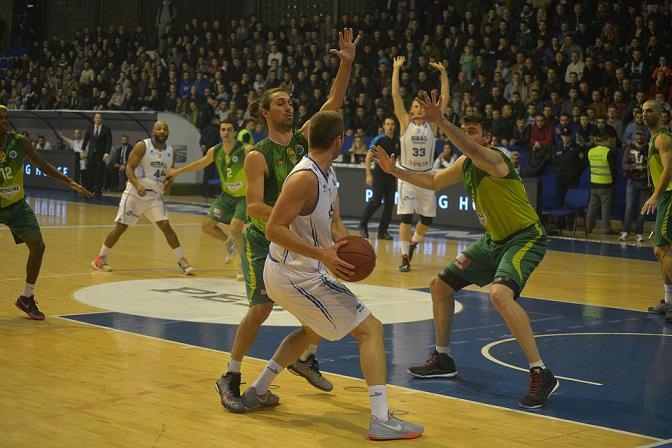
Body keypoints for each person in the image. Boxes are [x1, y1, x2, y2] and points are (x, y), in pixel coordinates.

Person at [235, 110, 424, 440]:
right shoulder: (304, 177)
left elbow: (334, 224)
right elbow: (273, 229)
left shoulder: (327, 172)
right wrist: (322, 254)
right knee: (371, 330)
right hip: (294, 274)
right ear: (339, 141)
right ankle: (381, 419)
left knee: (311, 331)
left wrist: (348, 243)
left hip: (299, 270)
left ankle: (257, 391)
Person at [371, 91, 559, 409]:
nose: (468, 135)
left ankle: (541, 372)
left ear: (488, 137)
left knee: (500, 295)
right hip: (494, 241)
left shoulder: (495, 158)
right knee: (439, 286)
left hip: (524, 237)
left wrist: (440, 120)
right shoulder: (464, 163)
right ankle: (443, 358)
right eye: (465, 128)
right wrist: (395, 172)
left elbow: (470, 148)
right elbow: (432, 182)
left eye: (473, 130)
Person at [214, 28, 359, 412]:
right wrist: (287, 215)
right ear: (265, 113)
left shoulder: (300, 141)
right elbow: (256, 208)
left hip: (298, 239)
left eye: (290, 103)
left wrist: (346, 64)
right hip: (265, 240)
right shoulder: (255, 155)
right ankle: (230, 375)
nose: (289, 107)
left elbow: (333, 103)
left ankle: (304, 357)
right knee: (261, 309)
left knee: (323, 304)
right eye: (280, 103)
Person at [0, 105, 92, 320]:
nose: (4, 121)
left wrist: (70, 182)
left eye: (6, 118)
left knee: (38, 246)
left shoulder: (18, 141)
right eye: (0, 118)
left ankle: (26, 297)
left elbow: (43, 165)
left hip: (16, 204)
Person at [90, 121, 194, 275]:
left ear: (168, 132)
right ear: (153, 131)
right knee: (121, 227)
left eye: (165, 129)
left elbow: (170, 173)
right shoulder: (143, 146)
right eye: (158, 128)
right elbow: (129, 168)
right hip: (135, 193)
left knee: (166, 226)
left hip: (155, 196)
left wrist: (168, 182)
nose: (162, 131)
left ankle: (182, 260)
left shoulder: (171, 152)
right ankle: (100, 258)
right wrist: (137, 185)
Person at [167, 118, 252, 272]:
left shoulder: (246, 149)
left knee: (235, 228)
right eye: (223, 130)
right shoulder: (215, 150)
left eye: (229, 130)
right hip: (226, 196)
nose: (225, 132)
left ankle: (244, 265)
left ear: (235, 132)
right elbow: (200, 164)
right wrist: (178, 171)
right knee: (207, 225)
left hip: (243, 197)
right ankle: (229, 244)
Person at [391, 56, 449, 272]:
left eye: (421, 106)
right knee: (406, 217)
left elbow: (445, 99)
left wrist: (443, 74)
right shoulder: (405, 122)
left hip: (427, 175)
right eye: (415, 106)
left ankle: (414, 241)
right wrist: (396, 69)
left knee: (428, 218)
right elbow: (396, 95)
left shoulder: (432, 126)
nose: (418, 109)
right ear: (411, 109)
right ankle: (405, 257)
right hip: (407, 174)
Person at [641, 100, 672, 324]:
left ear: (662, 115)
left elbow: (669, 169)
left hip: (670, 195)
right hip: (665, 196)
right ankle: (669, 300)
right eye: (642, 111)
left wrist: (655, 195)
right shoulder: (654, 138)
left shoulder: (662, 137)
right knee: (661, 251)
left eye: (649, 110)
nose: (644, 114)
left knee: (662, 250)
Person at [359, 116, 400, 240]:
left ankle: (382, 232)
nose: (390, 126)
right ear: (384, 126)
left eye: (392, 124)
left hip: (391, 177)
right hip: (379, 175)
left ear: (395, 126)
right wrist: (368, 174)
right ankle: (363, 226)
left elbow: (398, 160)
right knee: (376, 201)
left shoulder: (398, 141)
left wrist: (399, 176)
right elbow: (368, 157)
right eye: (387, 124)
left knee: (389, 206)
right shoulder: (379, 139)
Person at [585, 126, 618, 235]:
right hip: (606, 184)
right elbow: (613, 170)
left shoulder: (591, 151)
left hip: (593, 184)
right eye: (612, 140)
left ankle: (588, 228)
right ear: (608, 139)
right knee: (605, 208)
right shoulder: (609, 152)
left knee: (592, 207)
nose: (612, 142)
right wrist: (614, 184)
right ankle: (606, 229)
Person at [620, 127, 649, 242]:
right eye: (637, 134)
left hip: (644, 182)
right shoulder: (629, 149)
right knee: (629, 207)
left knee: (642, 209)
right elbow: (624, 165)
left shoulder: (648, 149)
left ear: (644, 136)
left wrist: (646, 168)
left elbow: (652, 164)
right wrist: (636, 167)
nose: (639, 137)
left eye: (641, 134)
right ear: (634, 136)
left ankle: (639, 233)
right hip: (632, 181)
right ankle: (625, 232)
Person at [81, 112, 112, 199]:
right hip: (91, 154)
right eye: (96, 117)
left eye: (99, 118)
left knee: (99, 173)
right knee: (90, 172)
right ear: (94, 119)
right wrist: (82, 150)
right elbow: (86, 139)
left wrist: (107, 153)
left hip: (101, 154)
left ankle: (98, 192)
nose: (97, 119)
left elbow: (109, 142)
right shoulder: (90, 127)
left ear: (102, 119)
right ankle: (89, 191)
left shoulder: (106, 129)